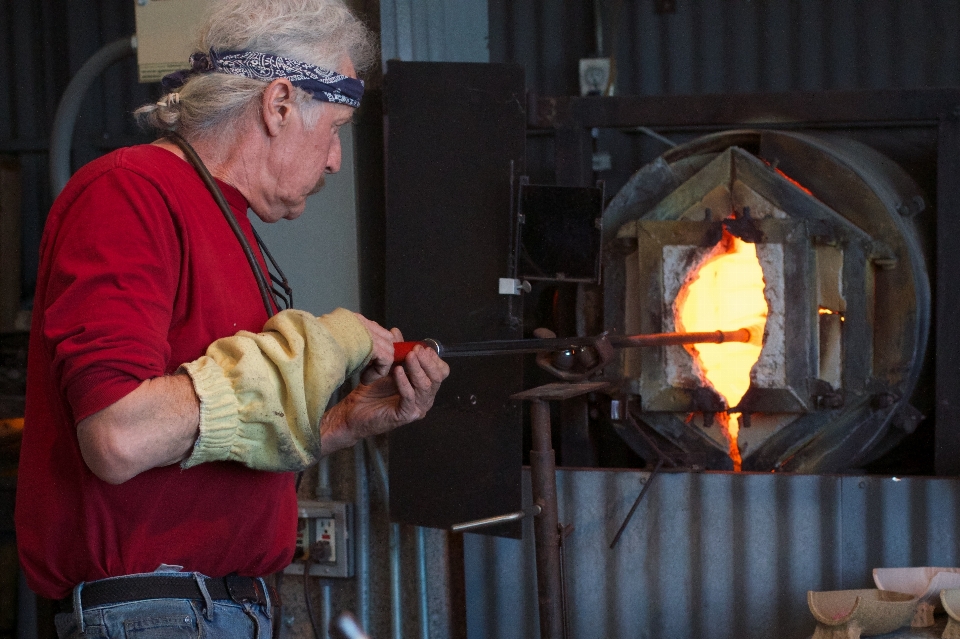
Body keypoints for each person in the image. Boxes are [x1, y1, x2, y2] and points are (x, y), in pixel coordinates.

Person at [15, 1, 449, 637]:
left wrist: (341, 421)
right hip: (156, 613)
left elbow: (215, 437)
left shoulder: (230, 226)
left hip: (219, 607)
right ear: (277, 105)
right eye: (334, 130)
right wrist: (308, 352)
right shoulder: (129, 193)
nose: (334, 160)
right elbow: (118, 435)